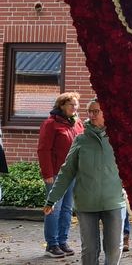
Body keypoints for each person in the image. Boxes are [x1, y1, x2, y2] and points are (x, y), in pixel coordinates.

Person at [44, 98, 125, 264]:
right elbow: (67, 171)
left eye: (96, 111)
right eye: (90, 111)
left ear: (106, 113)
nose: (92, 115)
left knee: (114, 247)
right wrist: (52, 199)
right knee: (89, 249)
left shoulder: (119, 139)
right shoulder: (81, 140)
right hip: (86, 203)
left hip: (114, 202)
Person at [38, 92, 84, 258]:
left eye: (76, 104)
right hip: (56, 174)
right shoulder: (51, 124)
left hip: (73, 173)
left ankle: (62, 241)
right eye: (71, 104)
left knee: (66, 209)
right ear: (62, 105)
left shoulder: (77, 123)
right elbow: (43, 150)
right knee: (54, 209)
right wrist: (47, 173)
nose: (75, 107)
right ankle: (51, 244)